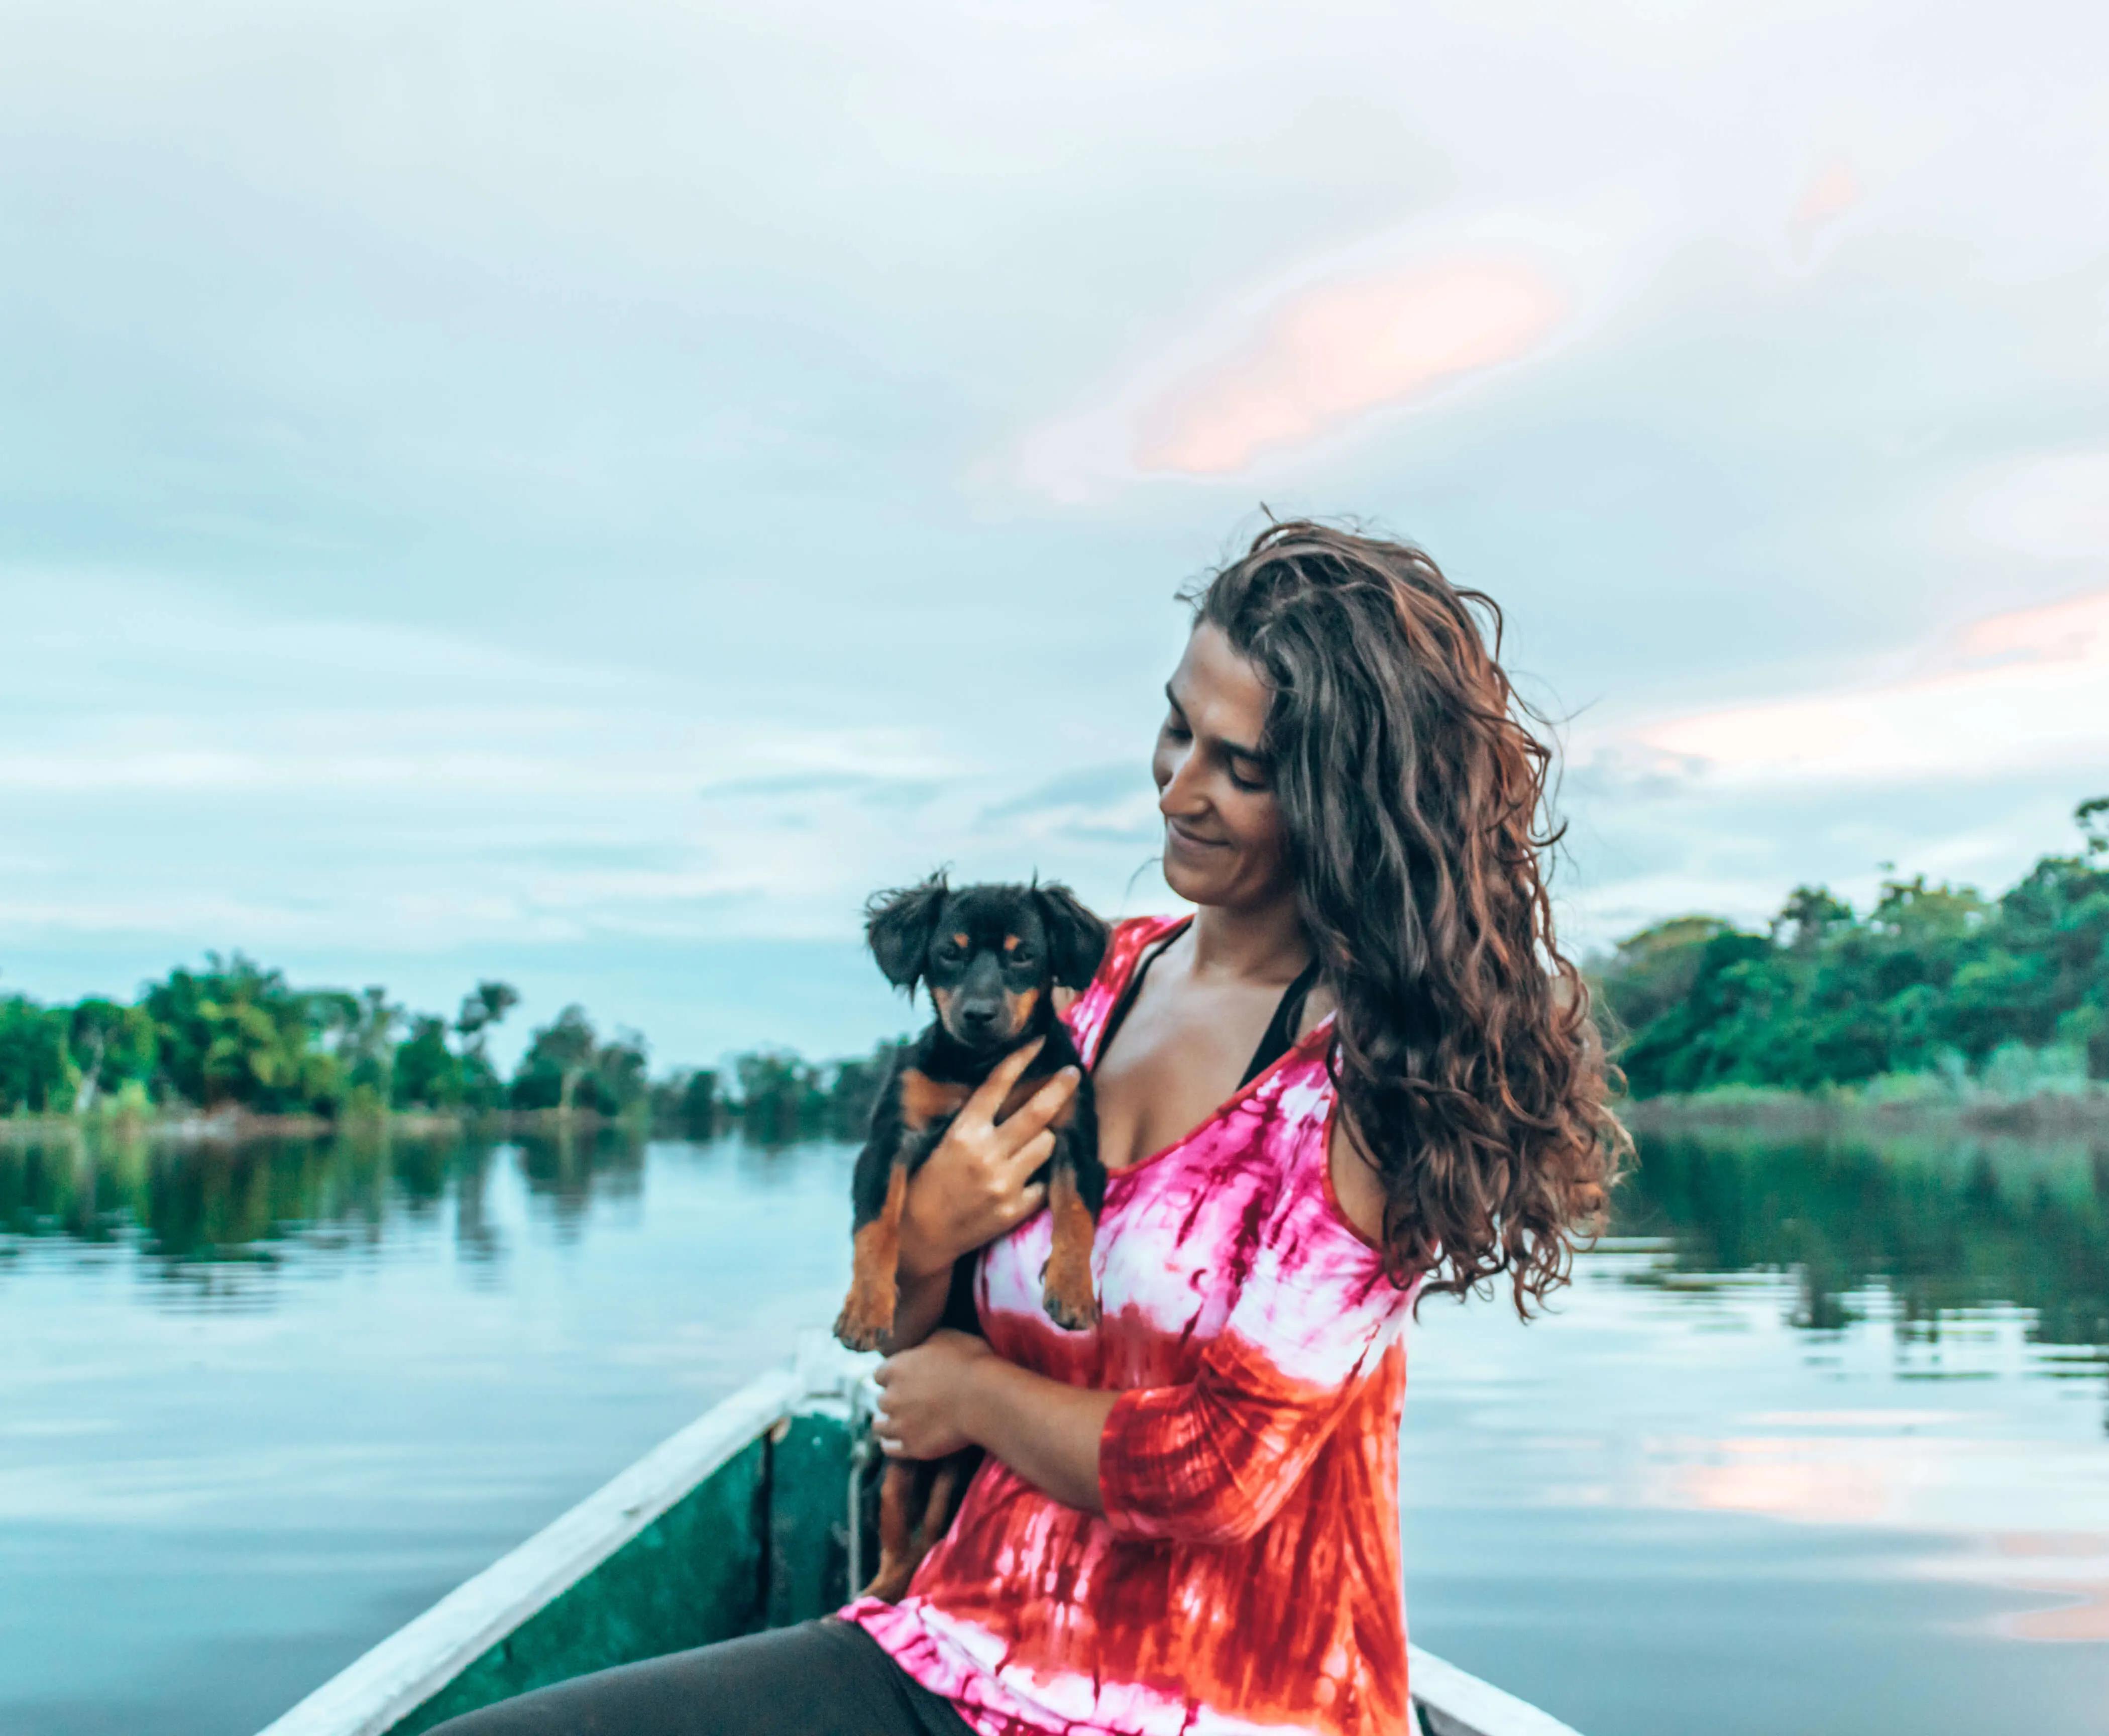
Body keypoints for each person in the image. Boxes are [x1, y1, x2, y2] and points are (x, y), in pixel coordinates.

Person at [430, 519, 1624, 1736]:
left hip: (1226, 1703)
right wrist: (933, 1239)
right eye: (1176, 728)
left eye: (1242, 768)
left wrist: (975, 1395)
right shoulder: (1087, 995)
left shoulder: (1375, 1080)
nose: (1179, 788)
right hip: (953, 1645)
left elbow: (1216, 1478)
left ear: (1341, 799)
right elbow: (903, 1346)